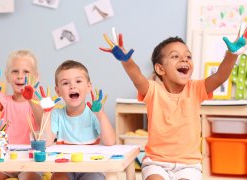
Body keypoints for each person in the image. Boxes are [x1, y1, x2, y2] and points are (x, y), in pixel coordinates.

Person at [100, 30, 243, 179]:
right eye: (175, 56)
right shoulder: (152, 90)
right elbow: (137, 77)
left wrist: (232, 54)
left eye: (188, 56)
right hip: (156, 163)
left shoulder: (196, 89)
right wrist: (126, 60)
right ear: (160, 69)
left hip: (189, 165)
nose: (184, 60)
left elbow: (220, 77)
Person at [44, 60, 116, 180]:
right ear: (57, 91)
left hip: (92, 168)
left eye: (78, 81)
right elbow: (46, 142)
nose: (73, 86)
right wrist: (46, 112)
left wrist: (100, 114)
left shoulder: (94, 113)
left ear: (88, 87)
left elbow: (110, 142)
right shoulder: (57, 114)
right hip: (64, 167)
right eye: (66, 83)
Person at [0, 50, 42, 180]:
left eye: (26, 72)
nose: (20, 76)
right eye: (15, 71)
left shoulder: (37, 102)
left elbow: (42, 121)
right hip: (5, 159)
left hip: (29, 160)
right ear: (7, 76)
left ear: (35, 77)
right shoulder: (4, 101)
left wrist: (31, 98)